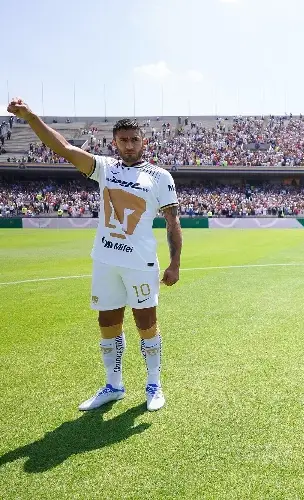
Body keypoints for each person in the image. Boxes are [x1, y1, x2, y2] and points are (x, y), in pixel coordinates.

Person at [6, 98, 182, 412]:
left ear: (144, 142)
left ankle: (154, 384)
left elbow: (172, 222)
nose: (129, 145)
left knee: (146, 325)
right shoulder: (104, 168)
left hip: (140, 264)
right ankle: (113, 385)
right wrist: (31, 117)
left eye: (134, 139)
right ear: (114, 143)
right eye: (123, 140)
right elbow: (63, 148)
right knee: (108, 324)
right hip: (105, 260)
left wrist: (175, 263)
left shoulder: (159, 177)